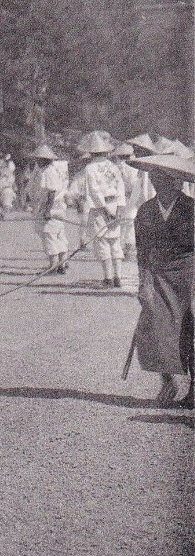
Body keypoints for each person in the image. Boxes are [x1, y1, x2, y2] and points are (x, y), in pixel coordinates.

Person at [128, 153, 194, 408]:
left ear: (177, 181)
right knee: (155, 329)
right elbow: (142, 251)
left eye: (164, 177)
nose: (158, 181)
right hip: (159, 275)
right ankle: (167, 382)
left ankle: (194, 388)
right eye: (154, 176)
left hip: (188, 273)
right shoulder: (145, 211)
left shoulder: (191, 208)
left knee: (189, 329)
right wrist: (143, 282)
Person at [77, 130, 126, 288]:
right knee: (115, 242)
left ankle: (108, 277)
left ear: (91, 153)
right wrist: (119, 209)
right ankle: (118, 277)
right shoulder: (114, 167)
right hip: (115, 204)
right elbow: (121, 188)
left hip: (101, 207)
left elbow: (94, 190)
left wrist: (105, 210)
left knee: (102, 242)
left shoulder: (90, 168)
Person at [29, 144, 70, 274]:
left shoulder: (48, 172)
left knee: (49, 235)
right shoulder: (52, 170)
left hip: (50, 207)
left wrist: (47, 210)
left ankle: (53, 266)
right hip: (58, 207)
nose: (36, 161)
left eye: (38, 159)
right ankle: (62, 263)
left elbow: (51, 192)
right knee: (59, 235)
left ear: (44, 159)